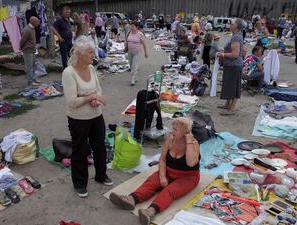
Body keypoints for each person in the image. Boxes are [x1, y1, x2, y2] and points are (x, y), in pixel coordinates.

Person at [109, 118, 200, 225]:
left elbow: (191, 163)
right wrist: (162, 176)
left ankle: (150, 211)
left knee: (169, 191)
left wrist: (189, 141)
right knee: (151, 182)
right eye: (173, 129)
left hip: (187, 177)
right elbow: (162, 159)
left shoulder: (193, 144)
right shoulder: (171, 139)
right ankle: (131, 199)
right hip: (169, 171)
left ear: (186, 132)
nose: (172, 131)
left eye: (176, 130)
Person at [62, 36, 113, 198]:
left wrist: (96, 99)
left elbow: (98, 90)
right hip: (78, 119)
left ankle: (101, 175)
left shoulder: (91, 69)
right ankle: (80, 183)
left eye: (93, 52)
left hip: (96, 115)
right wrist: (90, 98)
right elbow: (71, 102)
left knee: (100, 146)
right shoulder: (68, 73)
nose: (93, 55)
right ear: (80, 54)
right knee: (80, 150)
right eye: (90, 52)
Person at [217, 18, 244, 116]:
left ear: (236, 26)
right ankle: (227, 104)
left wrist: (223, 55)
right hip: (231, 65)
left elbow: (235, 54)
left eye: (231, 24)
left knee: (233, 87)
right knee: (229, 86)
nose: (230, 25)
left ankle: (232, 108)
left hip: (234, 65)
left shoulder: (236, 37)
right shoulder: (236, 36)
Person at [20, 16, 41, 86]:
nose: (38, 23)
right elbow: (22, 40)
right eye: (37, 22)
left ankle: (34, 78)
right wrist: (22, 48)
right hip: (27, 50)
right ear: (33, 22)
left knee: (34, 65)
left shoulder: (33, 28)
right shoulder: (27, 30)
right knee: (29, 67)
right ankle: (30, 81)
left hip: (33, 50)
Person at [125, 21, 148, 86]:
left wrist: (146, 53)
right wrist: (125, 46)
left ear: (137, 27)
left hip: (137, 52)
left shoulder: (140, 34)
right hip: (130, 51)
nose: (131, 27)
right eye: (131, 26)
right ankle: (135, 76)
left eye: (133, 26)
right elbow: (126, 40)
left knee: (134, 65)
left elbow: (144, 44)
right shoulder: (129, 32)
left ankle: (132, 79)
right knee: (131, 65)